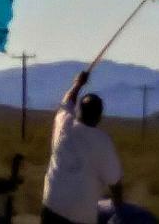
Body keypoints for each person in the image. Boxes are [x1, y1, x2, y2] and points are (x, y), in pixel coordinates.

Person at [42, 71, 123, 224]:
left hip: (52, 205)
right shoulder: (102, 142)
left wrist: (78, 84)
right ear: (99, 117)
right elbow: (115, 181)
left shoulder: (63, 123)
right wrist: (120, 211)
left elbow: (67, 102)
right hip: (80, 215)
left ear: (79, 110)